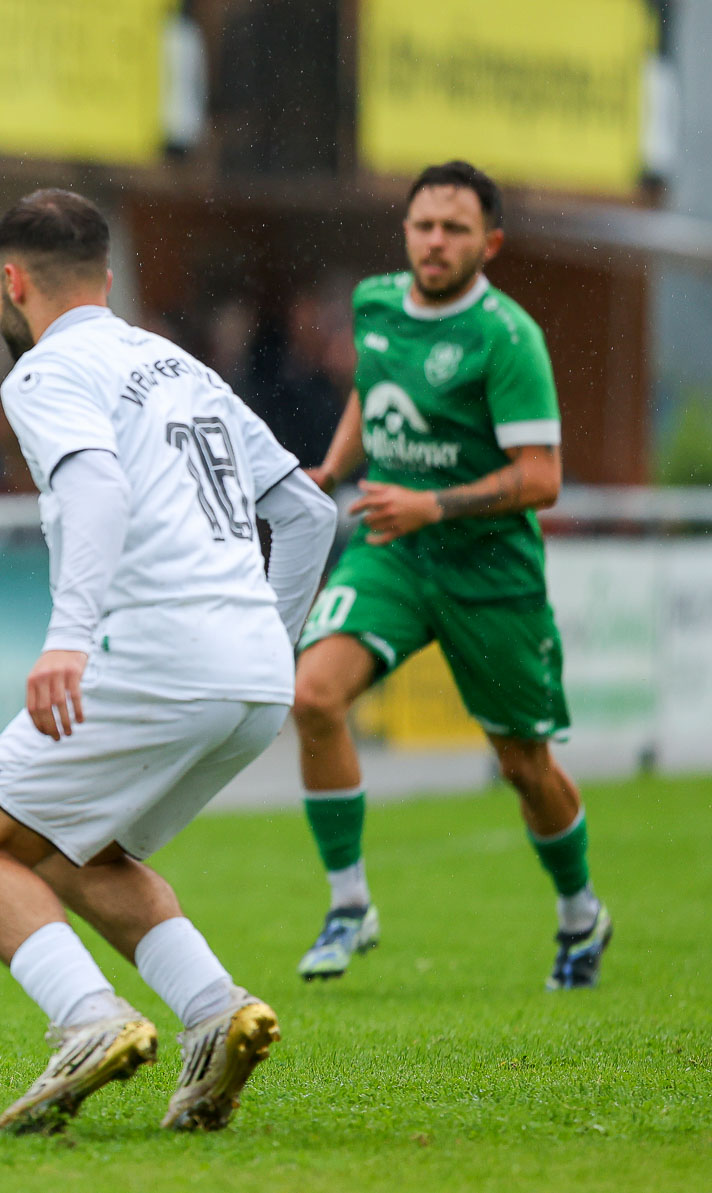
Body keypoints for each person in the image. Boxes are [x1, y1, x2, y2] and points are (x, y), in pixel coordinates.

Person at [0, 190, 337, 1134]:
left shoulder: (45, 371)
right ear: (106, 278)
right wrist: (265, 642)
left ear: (11, 281)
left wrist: (68, 638)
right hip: (253, 671)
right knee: (83, 849)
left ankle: (88, 1019)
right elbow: (309, 513)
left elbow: (98, 488)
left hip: (156, 649)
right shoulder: (182, 364)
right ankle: (216, 1008)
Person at [291, 161, 610, 991]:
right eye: (424, 225)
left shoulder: (508, 337)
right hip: (394, 551)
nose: (436, 242)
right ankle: (348, 904)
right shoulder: (374, 303)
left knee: (524, 765)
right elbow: (372, 388)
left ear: (489, 243)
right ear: (405, 231)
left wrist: (433, 504)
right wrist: (333, 467)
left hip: (489, 570)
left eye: (455, 229)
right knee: (312, 696)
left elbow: (542, 477)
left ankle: (580, 912)